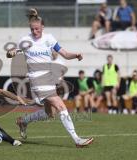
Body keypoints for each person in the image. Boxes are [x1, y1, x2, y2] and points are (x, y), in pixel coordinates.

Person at [7, 8, 93, 147]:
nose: (35, 32)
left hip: (48, 78)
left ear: (42, 27)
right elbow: (13, 52)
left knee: (50, 113)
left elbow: (64, 53)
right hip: (36, 79)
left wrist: (76, 55)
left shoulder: (49, 38)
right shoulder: (25, 40)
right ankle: (77, 139)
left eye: (37, 29)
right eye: (32, 29)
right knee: (61, 105)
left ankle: (23, 121)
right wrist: (11, 53)